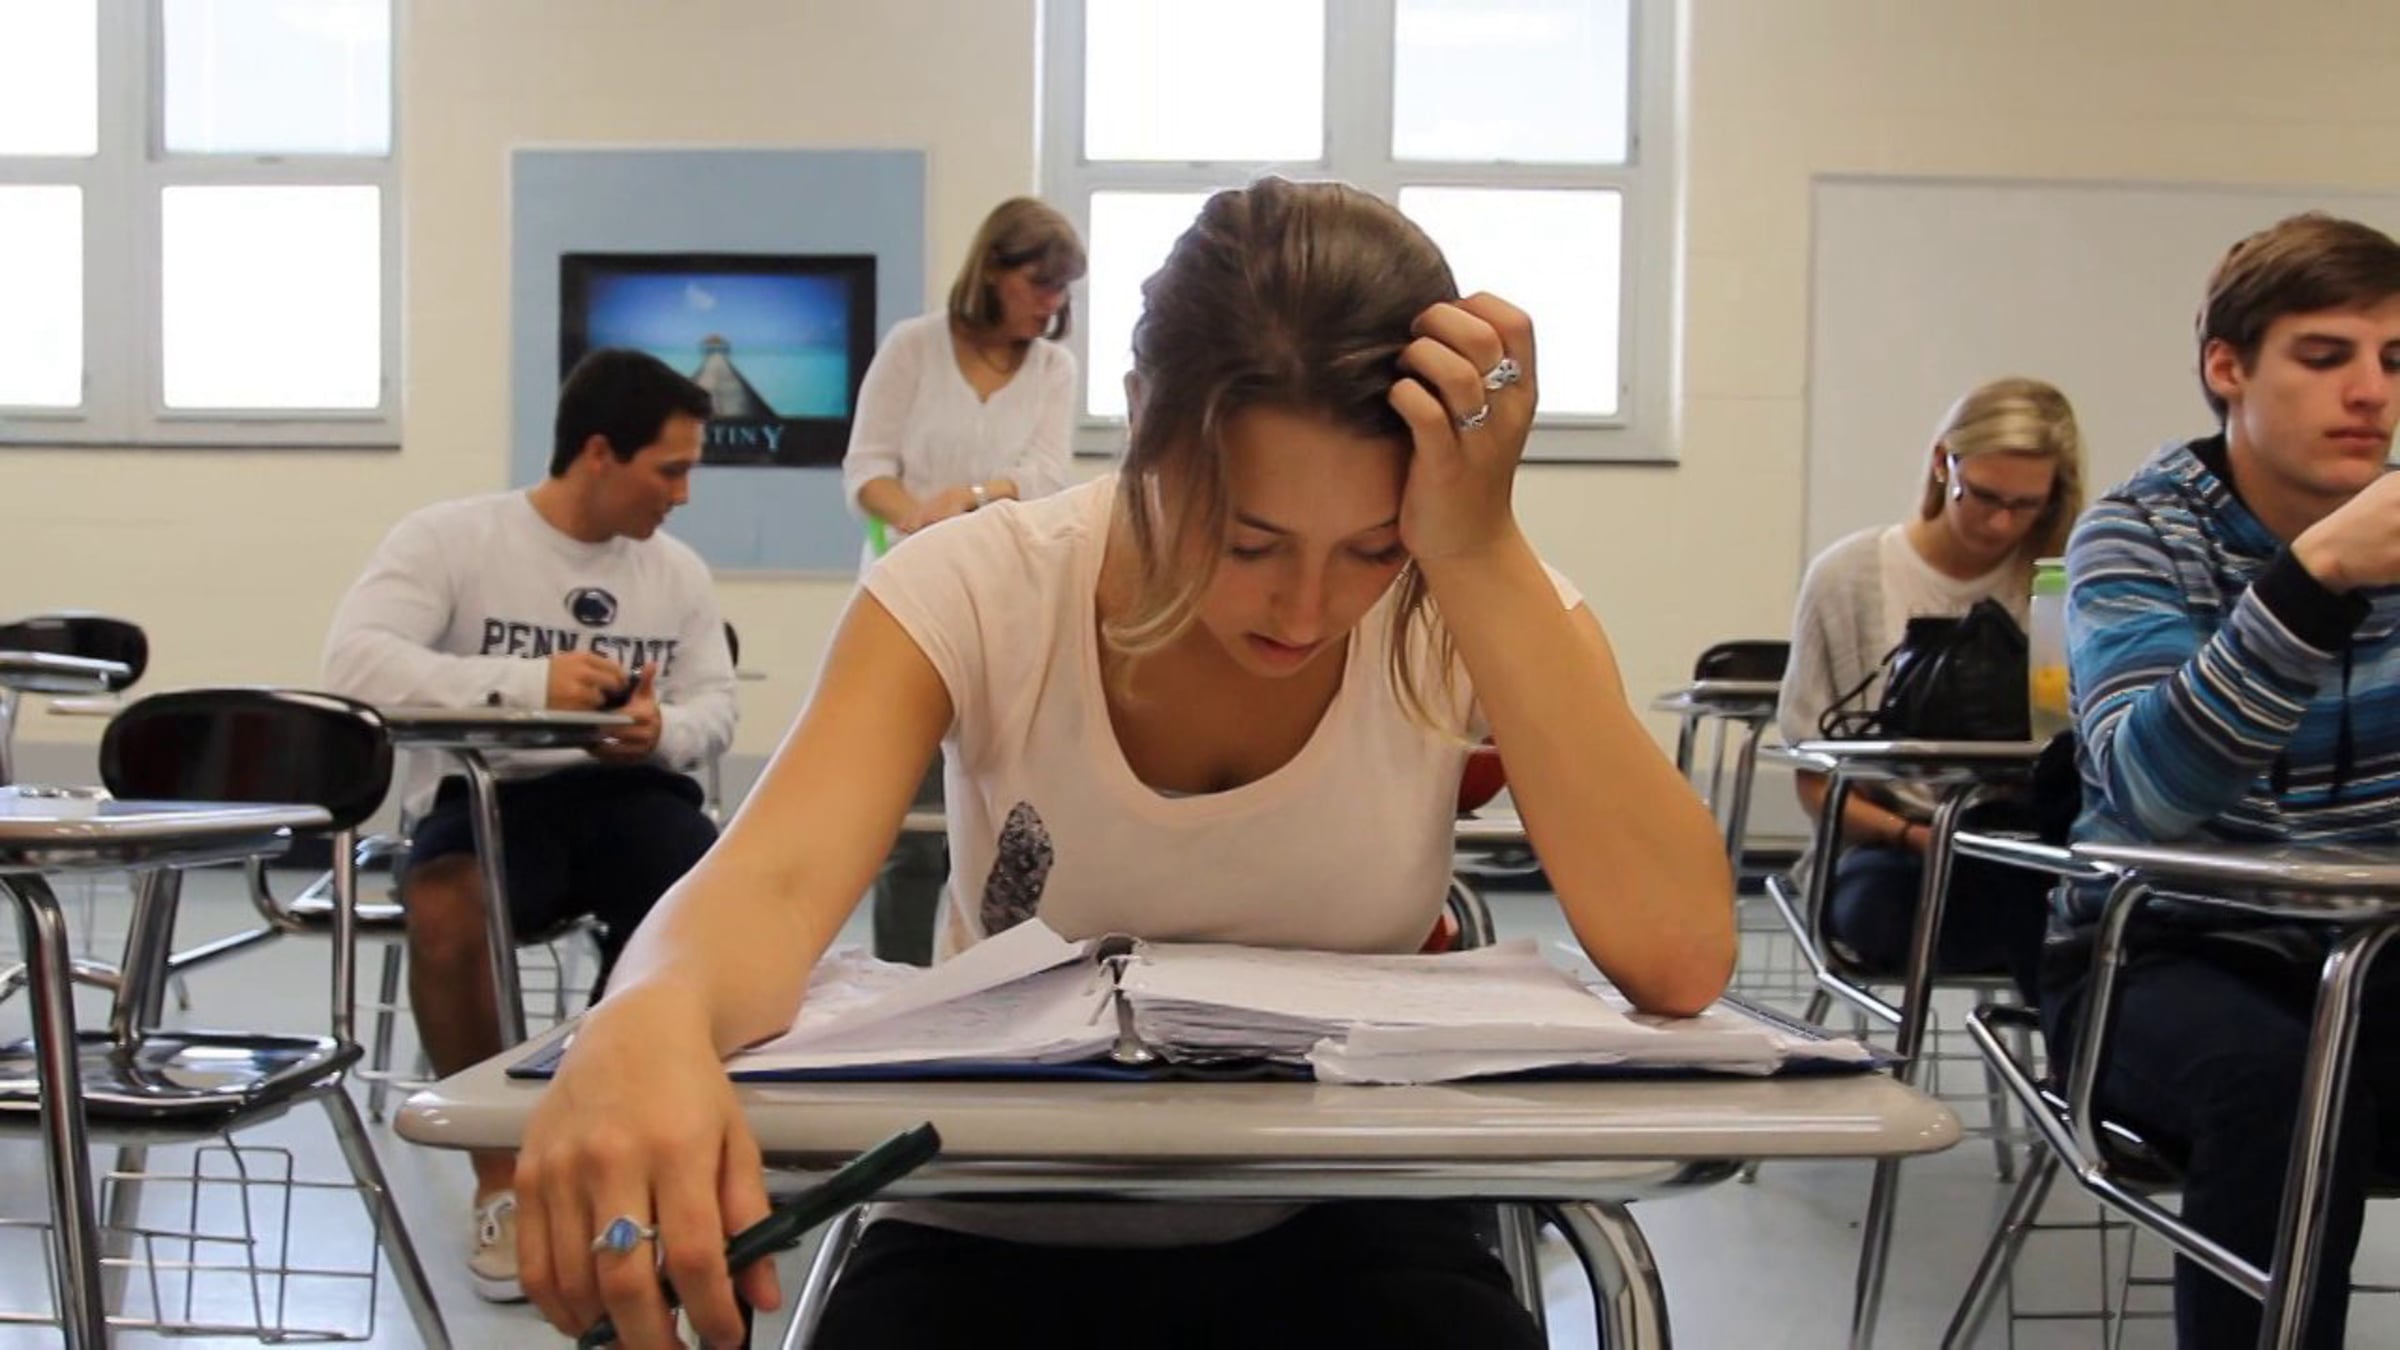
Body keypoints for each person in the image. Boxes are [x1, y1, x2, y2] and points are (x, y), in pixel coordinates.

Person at [512, 177, 1736, 1350]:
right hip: (998, 1207)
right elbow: (772, 883)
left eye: (1372, 547)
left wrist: (1472, 548)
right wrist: (652, 1013)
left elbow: (1677, 953)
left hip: (1351, 1205)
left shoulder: (1464, 589)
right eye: (1248, 540)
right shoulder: (979, 585)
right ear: (1141, 417)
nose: (1307, 610)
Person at [2050, 213, 2400, 1349]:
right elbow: (2152, 790)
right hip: (2161, 952)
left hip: (2374, 949)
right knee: (2286, 1089)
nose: (2372, 393)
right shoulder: (2136, 537)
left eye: (2396, 361)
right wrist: (2313, 578)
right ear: (2227, 367)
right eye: (2326, 355)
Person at [323, 347, 738, 1303]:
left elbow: (716, 705)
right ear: (598, 453)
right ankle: (501, 1179)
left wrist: (660, 730)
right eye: (669, 470)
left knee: (702, 897)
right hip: (489, 797)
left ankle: (627, 1141)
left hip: (627, 797)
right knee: (444, 910)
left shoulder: (676, 574)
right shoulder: (452, 539)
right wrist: (528, 685)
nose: (682, 495)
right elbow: (354, 666)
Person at [1778, 377, 2086, 1001]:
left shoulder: (2064, 585)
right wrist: (1921, 838)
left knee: (2088, 914)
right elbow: (1816, 783)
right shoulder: (1847, 577)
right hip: (1894, 849)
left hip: (2024, 844)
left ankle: (2070, 1042)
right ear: (1944, 463)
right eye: (1984, 496)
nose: (2000, 522)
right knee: (1916, 911)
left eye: (2026, 505)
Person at [841, 195, 1087, 965]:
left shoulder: (1053, 369)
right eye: (1039, 284)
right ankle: (899, 989)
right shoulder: (913, 347)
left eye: (1062, 289)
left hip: (1014, 607)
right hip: (912, 604)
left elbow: (1045, 476)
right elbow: (866, 469)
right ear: (993, 271)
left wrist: (971, 500)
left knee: (1013, 824)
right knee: (909, 830)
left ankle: (998, 987)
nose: (1052, 304)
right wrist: (919, 519)